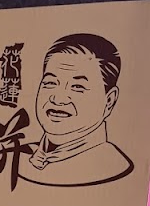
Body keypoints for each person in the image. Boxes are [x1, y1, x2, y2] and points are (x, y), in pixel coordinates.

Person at [19, 34, 133, 186]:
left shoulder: (113, 168)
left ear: (109, 100)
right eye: (50, 83)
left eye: (77, 87)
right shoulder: (18, 157)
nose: (58, 99)